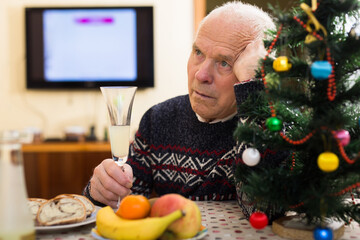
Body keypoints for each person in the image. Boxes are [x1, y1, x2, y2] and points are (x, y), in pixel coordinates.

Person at [84, 1, 277, 209]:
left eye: (224, 63)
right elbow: (124, 206)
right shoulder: (158, 119)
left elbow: (261, 209)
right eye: (198, 52)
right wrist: (101, 192)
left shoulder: (276, 126)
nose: (200, 74)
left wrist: (254, 91)